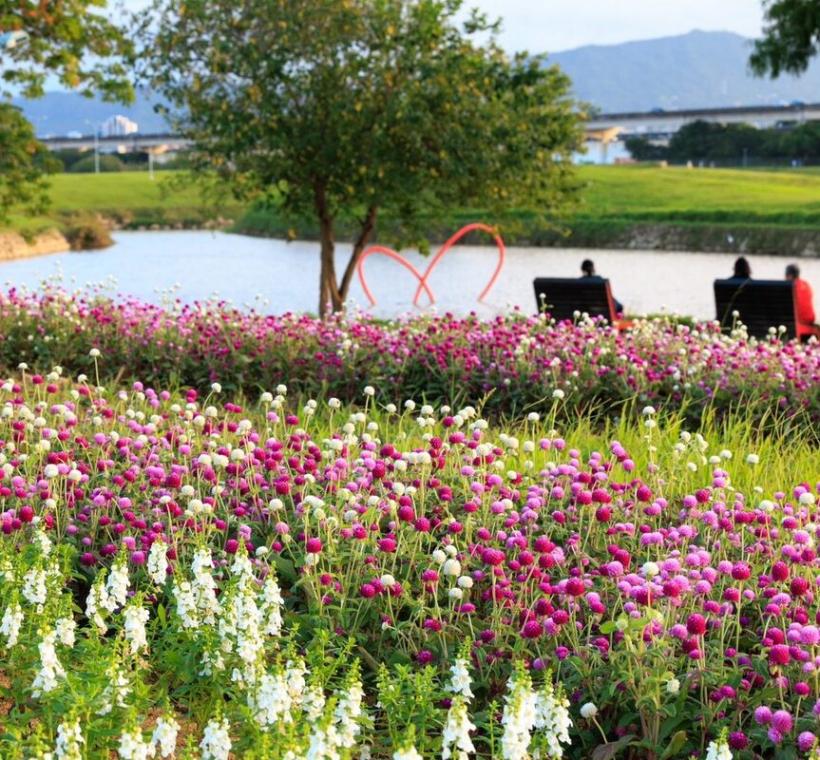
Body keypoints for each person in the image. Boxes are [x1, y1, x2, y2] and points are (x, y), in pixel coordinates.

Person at [786, 263, 817, 328]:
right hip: (810, 320)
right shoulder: (806, 284)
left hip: (799, 322)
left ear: (790, 275)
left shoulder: (790, 286)